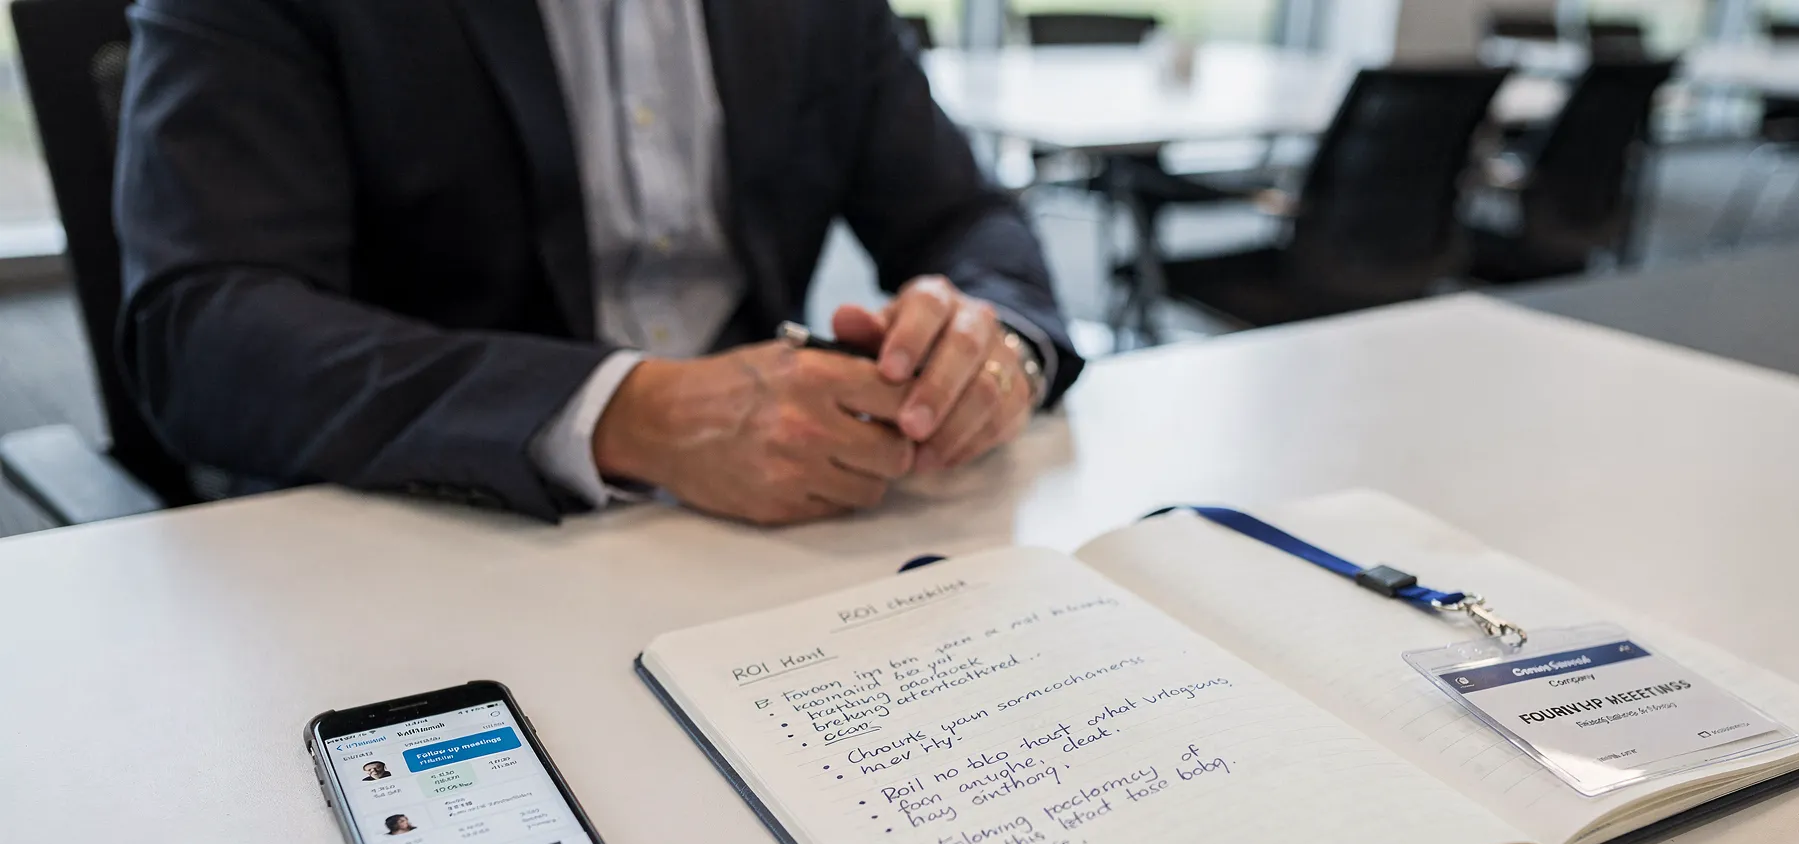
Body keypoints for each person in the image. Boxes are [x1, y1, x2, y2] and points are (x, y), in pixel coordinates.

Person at [115, 0, 1082, 526]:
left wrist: (992, 344)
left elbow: (966, 219)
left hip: (776, 543)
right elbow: (202, 327)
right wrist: (629, 410)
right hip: (426, 537)